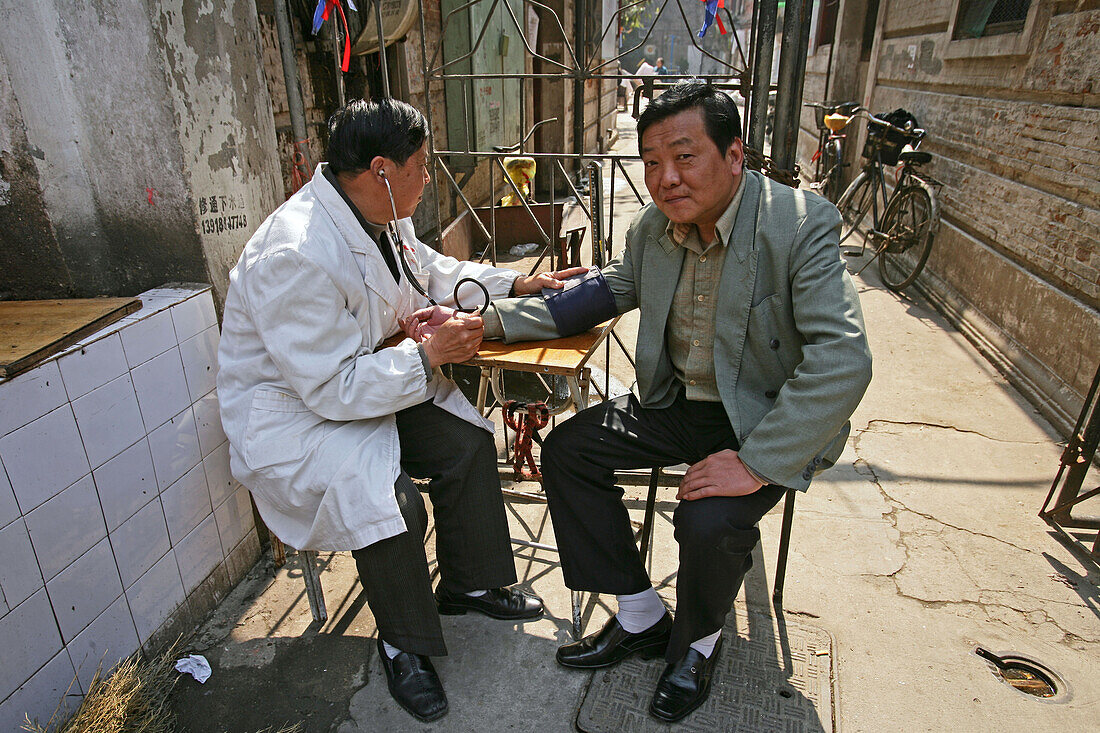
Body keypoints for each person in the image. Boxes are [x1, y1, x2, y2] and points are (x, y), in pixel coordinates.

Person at [486, 82, 872, 722]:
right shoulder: (654, 230)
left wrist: (753, 464)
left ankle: (697, 642)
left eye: (685, 157)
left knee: (710, 521)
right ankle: (641, 614)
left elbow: (843, 359)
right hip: (675, 404)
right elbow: (603, 293)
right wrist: (495, 322)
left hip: (760, 420)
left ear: (735, 156)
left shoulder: (801, 225)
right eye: (651, 161)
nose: (665, 179)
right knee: (568, 451)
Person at [217, 98, 584, 723]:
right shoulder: (293, 253)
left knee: (467, 446)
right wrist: (429, 355)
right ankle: (402, 644)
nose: (429, 176)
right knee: (393, 502)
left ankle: (467, 584)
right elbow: (329, 387)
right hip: (298, 417)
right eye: (421, 164)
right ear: (382, 168)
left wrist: (513, 284)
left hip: (366, 381)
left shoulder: (381, 214)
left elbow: (430, 272)